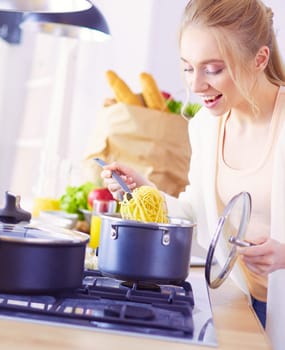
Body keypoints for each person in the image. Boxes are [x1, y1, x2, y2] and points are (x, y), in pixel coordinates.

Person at [100, 0, 285, 348]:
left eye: (213, 69)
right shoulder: (205, 126)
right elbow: (199, 216)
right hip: (246, 304)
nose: (197, 85)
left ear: (259, 60)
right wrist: (146, 190)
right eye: (188, 68)